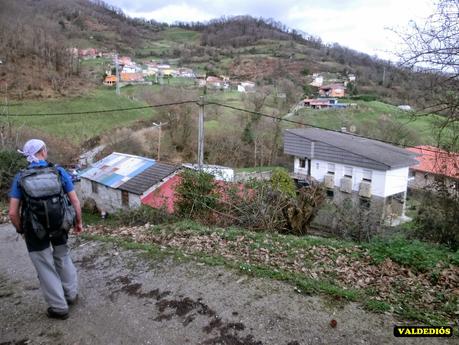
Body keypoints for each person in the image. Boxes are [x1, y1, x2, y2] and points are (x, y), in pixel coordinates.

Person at [8, 139, 83, 320]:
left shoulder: (21, 177)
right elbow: (75, 201)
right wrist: (77, 222)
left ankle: (58, 307)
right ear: (43, 151)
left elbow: (12, 212)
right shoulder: (58, 172)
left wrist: (21, 230)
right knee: (63, 257)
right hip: (59, 225)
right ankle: (71, 294)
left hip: (34, 230)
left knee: (45, 266)